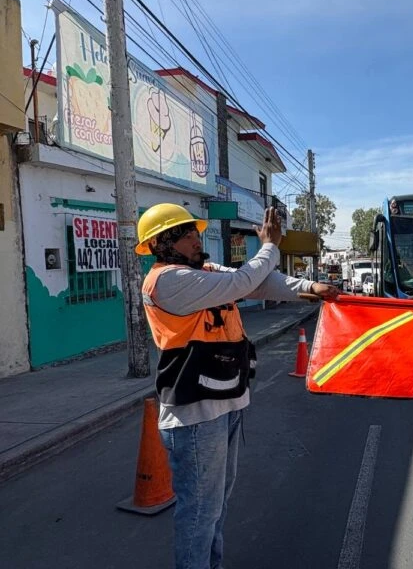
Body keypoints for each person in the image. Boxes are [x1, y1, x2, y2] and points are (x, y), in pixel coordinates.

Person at [135, 203, 338, 569]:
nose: (196, 239)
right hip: (196, 412)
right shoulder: (167, 281)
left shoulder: (204, 271)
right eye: (185, 235)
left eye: (195, 232)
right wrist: (270, 245)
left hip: (224, 399)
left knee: (215, 507)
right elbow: (241, 282)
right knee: (200, 512)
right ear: (160, 245)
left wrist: (309, 287)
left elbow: (257, 282)